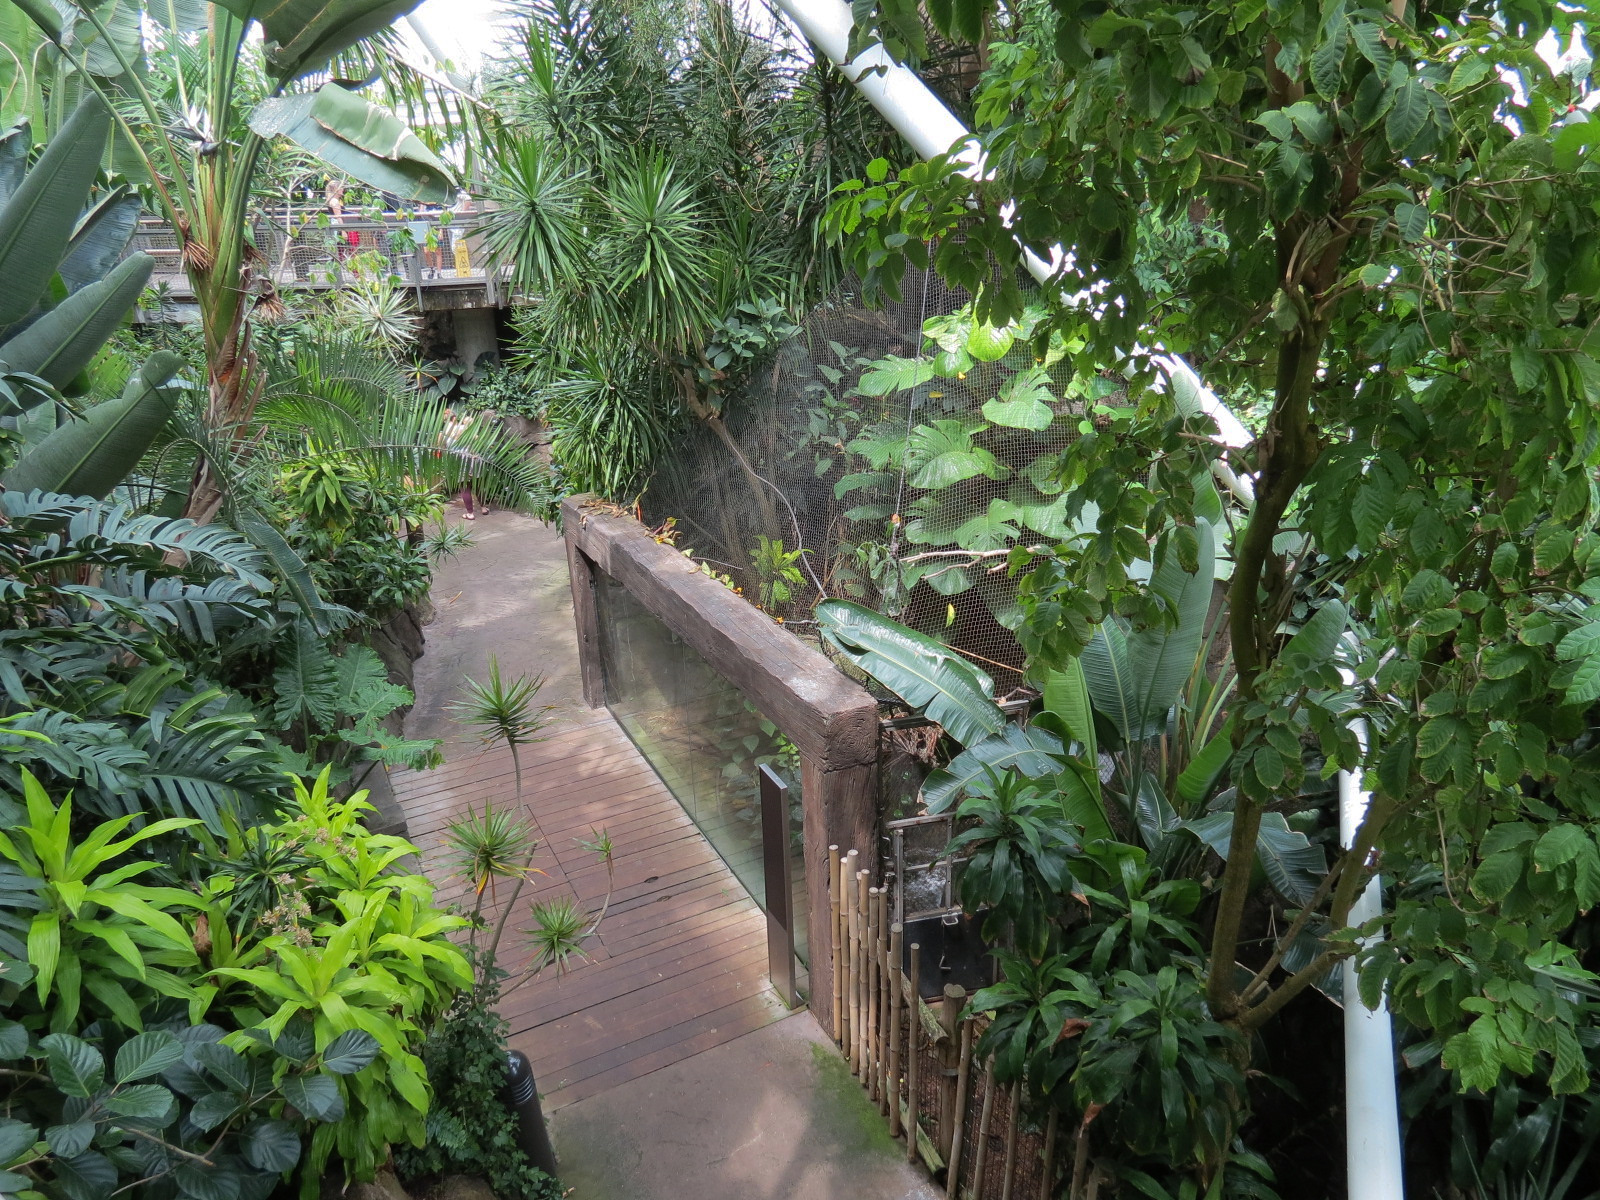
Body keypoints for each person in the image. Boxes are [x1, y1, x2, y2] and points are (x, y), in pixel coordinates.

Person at [442, 408, 490, 520]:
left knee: (465, 487)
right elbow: (477, 440)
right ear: (455, 418)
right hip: (473, 458)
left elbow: (444, 449)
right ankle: (483, 508)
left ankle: (470, 513)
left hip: (459, 461)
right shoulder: (464, 428)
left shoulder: (444, 433)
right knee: (477, 484)